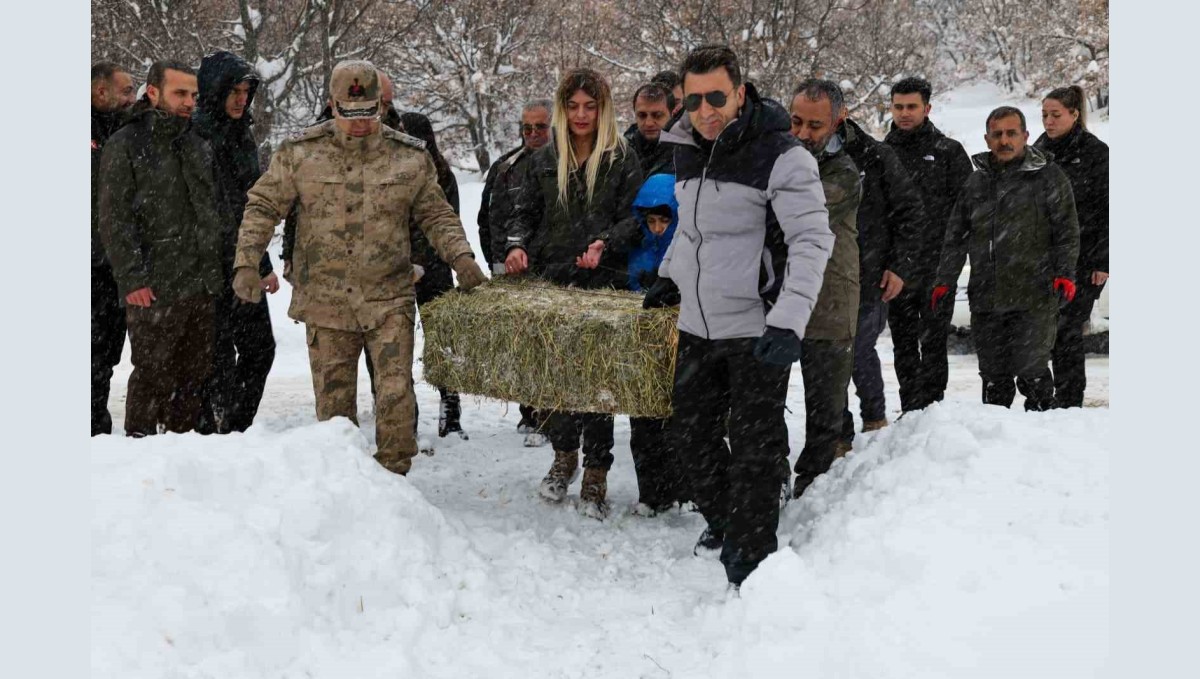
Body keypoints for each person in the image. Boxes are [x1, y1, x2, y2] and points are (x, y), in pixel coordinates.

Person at [233, 60, 487, 476]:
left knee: (395, 397)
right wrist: (247, 262)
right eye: (349, 114)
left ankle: (394, 480)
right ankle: (345, 489)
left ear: (382, 107)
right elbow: (262, 206)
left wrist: (461, 257)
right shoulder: (300, 155)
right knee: (334, 413)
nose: (359, 123)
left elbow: (436, 215)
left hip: (388, 297)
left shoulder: (408, 158)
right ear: (332, 106)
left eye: (369, 112)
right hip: (326, 303)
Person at [646, 45, 833, 588]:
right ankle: (730, 523)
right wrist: (669, 273)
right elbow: (693, 230)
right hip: (698, 327)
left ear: (741, 94)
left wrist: (789, 322)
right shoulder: (685, 147)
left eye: (717, 98)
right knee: (691, 439)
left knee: (754, 450)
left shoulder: (782, 155)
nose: (706, 110)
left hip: (757, 328)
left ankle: (750, 563)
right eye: (695, 99)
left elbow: (812, 240)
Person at [504, 67, 644, 519]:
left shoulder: (622, 157)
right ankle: (563, 458)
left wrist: (606, 244)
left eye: (590, 106)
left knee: (598, 381)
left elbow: (635, 218)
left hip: (605, 283)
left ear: (603, 109)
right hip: (556, 280)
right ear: (562, 109)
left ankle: (597, 473)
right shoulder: (546, 158)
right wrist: (517, 246)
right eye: (573, 106)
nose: (581, 114)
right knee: (558, 376)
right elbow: (523, 212)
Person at [99, 60, 225, 437]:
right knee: (152, 376)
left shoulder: (197, 142)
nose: (190, 102)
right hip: (153, 286)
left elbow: (212, 210)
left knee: (194, 377)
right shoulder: (127, 143)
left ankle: (181, 456)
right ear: (153, 93)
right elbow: (114, 218)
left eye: (194, 95)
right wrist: (132, 278)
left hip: (200, 282)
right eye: (180, 93)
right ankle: (140, 456)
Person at [933, 107, 1079, 411]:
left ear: (1025, 136)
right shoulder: (976, 183)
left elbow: (1067, 231)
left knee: (1031, 372)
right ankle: (995, 444)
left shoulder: (1049, 177)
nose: (1004, 140)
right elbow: (955, 236)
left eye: (1012, 133)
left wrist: (1065, 273)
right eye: (997, 134)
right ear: (987, 139)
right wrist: (944, 280)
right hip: (987, 296)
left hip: (1035, 295)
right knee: (994, 378)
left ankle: (1040, 438)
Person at [192, 50, 278, 434]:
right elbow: (212, 206)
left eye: (247, 91)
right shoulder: (195, 136)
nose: (242, 99)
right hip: (205, 265)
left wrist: (263, 264)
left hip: (243, 260)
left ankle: (237, 429)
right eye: (234, 91)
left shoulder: (244, 135)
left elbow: (251, 201)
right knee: (216, 357)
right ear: (215, 91)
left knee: (260, 348)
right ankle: (210, 433)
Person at [787, 79, 862, 498]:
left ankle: (812, 485)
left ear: (838, 120)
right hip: (780, 297)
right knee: (763, 398)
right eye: (796, 121)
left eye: (815, 126)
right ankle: (772, 474)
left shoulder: (844, 173)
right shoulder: (779, 155)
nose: (803, 133)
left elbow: (796, 211)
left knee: (826, 403)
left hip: (830, 298)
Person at [884, 77, 974, 413]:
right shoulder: (883, 153)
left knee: (934, 343)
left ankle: (934, 410)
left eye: (912, 107)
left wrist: (953, 261)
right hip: (897, 270)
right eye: (898, 107)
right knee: (903, 344)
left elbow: (967, 212)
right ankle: (910, 411)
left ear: (927, 108)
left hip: (938, 269)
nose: (904, 113)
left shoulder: (948, 152)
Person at [835, 112, 925, 443]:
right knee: (826, 358)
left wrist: (900, 265)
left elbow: (909, 211)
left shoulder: (875, 155)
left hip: (868, 272)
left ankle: (874, 420)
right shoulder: (798, 153)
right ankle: (837, 433)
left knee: (857, 350)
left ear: (840, 114)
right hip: (820, 273)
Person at [476, 98, 553, 445]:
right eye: (527, 127)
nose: (533, 134)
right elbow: (487, 220)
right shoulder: (505, 167)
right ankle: (530, 413)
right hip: (511, 270)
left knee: (554, 344)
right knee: (524, 345)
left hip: (554, 270)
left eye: (540, 127)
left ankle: (559, 417)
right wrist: (496, 263)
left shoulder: (565, 162)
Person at [1034, 85, 1109, 409]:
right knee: (1041, 333)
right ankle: (1043, 399)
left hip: (1083, 258)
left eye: (1055, 115)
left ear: (1074, 114)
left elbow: (1108, 207)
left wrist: (1103, 261)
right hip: (1040, 256)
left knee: (1066, 332)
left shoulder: (1095, 152)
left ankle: (1069, 403)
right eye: (1044, 115)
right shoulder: (1037, 149)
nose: (1049, 122)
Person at [398, 111, 469, 441]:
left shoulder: (441, 174)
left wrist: (426, 262)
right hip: (398, 269)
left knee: (441, 340)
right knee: (396, 345)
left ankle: (450, 409)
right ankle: (402, 411)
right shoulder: (392, 170)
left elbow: (445, 220)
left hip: (435, 267)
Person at [626, 173, 688, 514]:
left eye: (665, 220)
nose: (658, 227)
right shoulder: (639, 245)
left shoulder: (687, 245)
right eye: (650, 221)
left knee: (680, 419)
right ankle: (651, 492)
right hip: (645, 344)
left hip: (680, 341)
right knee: (644, 421)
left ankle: (686, 488)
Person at [91, 62, 136, 436]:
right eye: (126, 91)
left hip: (114, 266)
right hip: (89, 264)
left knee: (106, 354)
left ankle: (97, 424)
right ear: (100, 91)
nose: (131, 98)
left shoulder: (126, 131)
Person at [624, 83, 674, 177]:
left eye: (657, 115)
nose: (649, 123)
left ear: (672, 114)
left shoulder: (687, 154)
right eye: (642, 115)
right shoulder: (622, 154)